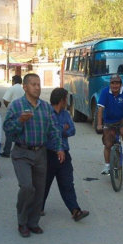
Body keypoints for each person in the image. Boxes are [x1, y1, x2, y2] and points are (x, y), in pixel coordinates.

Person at [3, 73, 64, 238]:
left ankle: (33, 222)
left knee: (39, 190)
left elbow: (54, 130)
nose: (37, 87)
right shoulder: (16, 106)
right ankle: (22, 222)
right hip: (22, 152)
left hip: (40, 153)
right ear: (25, 87)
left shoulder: (45, 107)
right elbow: (7, 130)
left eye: (39, 84)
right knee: (27, 187)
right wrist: (20, 121)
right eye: (33, 84)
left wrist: (59, 148)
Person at [42, 88, 90, 221]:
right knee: (44, 184)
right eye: (66, 99)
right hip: (48, 154)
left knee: (67, 183)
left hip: (64, 154)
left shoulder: (65, 114)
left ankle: (75, 211)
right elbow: (46, 133)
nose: (67, 102)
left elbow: (72, 130)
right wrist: (61, 130)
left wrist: (60, 131)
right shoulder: (46, 113)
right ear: (62, 100)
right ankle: (39, 208)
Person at [96, 74, 123, 175]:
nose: (115, 86)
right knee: (108, 143)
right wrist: (99, 124)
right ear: (110, 84)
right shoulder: (105, 92)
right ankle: (107, 166)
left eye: (117, 83)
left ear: (120, 84)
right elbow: (100, 109)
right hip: (109, 120)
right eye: (112, 83)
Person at [1, 75, 24, 157]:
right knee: (21, 131)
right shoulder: (23, 89)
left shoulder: (12, 88)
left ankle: (7, 151)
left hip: (13, 112)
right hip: (23, 112)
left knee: (9, 131)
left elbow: (5, 100)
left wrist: (8, 107)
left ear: (13, 81)